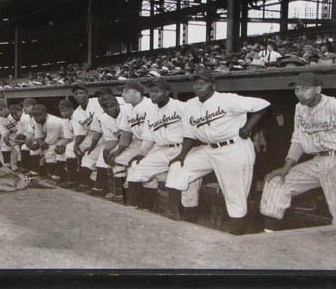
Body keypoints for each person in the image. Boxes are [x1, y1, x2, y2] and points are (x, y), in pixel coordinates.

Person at [166, 70, 270, 234]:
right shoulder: (191, 105)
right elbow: (189, 134)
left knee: (235, 197)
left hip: (234, 148)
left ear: (213, 85)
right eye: (196, 83)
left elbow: (263, 104)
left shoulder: (227, 99)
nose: (199, 86)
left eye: (203, 82)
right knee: (177, 169)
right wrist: (182, 154)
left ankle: (236, 237)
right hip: (209, 149)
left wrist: (248, 128)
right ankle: (183, 220)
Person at [260, 72, 336, 231]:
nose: (300, 93)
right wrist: (286, 167)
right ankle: (269, 236)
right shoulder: (300, 108)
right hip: (320, 160)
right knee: (277, 183)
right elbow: (298, 139)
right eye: (297, 90)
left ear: (318, 89)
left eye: (305, 89)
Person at [126, 78, 202, 215]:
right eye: (151, 92)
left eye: (157, 91)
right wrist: (142, 153)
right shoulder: (151, 111)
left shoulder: (181, 106)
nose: (153, 94)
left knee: (185, 187)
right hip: (163, 149)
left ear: (167, 92)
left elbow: (195, 131)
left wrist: (184, 153)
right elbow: (149, 136)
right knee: (136, 168)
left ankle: (180, 217)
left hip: (185, 148)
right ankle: (133, 210)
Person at [107, 80, 157, 208]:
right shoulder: (127, 108)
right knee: (117, 160)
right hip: (138, 143)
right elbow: (126, 132)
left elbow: (153, 133)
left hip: (155, 144)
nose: (123, 94)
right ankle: (123, 196)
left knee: (143, 171)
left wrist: (143, 153)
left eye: (126, 91)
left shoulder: (151, 105)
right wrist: (119, 149)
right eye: (122, 91)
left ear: (137, 93)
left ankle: (147, 206)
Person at [64, 84, 106, 191]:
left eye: (81, 93)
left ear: (87, 94)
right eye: (76, 94)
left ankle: (92, 184)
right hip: (92, 135)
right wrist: (76, 145)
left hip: (106, 133)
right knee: (70, 148)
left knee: (91, 156)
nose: (79, 96)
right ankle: (73, 180)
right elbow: (80, 132)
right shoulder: (77, 113)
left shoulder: (97, 101)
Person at [27, 104, 67, 179]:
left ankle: (50, 174)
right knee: (34, 149)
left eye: (39, 115)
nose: (36, 117)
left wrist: (40, 143)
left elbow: (50, 142)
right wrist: (38, 143)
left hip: (65, 138)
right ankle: (35, 171)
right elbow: (38, 135)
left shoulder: (52, 122)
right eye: (35, 115)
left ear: (45, 114)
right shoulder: (36, 120)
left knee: (50, 150)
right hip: (52, 138)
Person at [54, 99, 75, 184]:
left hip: (85, 139)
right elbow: (68, 137)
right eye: (61, 111)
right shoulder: (65, 120)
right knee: (59, 146)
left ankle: (72, 179)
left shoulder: (77, 116)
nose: (63, 113)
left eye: (65, 110)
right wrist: (61, 146)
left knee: (69, 149)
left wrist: (65, 145)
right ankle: (59, 174)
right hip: (74, 140)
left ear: (71, 109)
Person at [15, 98, 37, 173]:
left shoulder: (37, 116)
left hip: (44, 140)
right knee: (24, 146)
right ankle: (25, 168)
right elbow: (27, 132)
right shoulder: (27, 117)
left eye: (27, 106)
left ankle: (35, 171)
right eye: (24, 106)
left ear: (34, 106)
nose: (24, 108)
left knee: (32, 147)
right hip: (33, 139)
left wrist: (29, 140)